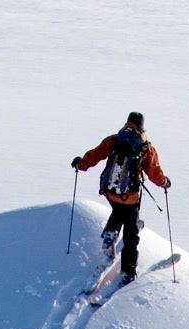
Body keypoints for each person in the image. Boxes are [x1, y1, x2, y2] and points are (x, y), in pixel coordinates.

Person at [72, 111, 170, 281]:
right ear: (142, 126)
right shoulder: (146, 148)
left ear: (127, 122)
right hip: (130, 196)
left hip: (110, 191)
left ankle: (110, 233)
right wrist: (165, 183)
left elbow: (95, 155)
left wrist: (80, 164)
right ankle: (128, 271)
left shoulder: (114, 140)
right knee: (131, 233)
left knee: (118, 211)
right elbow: (154, 173)